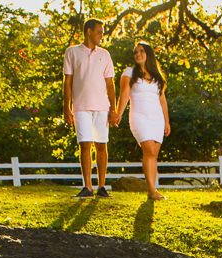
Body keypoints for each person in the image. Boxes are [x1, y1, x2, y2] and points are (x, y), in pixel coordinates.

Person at [63, 19, 117, 199]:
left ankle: (101, 186)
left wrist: (113, 109)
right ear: (89, 32)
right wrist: (66, 108)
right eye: (99, 32)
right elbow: (67, 82)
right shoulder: (72, 52)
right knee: (84, 145)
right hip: (80, 107)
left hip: (102, 108)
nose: (102, 35)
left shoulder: (105, 54)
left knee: (102, 146)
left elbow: (110, 84)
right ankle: (87, 187)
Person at [115, 41, 171, 200]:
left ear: (148, 54)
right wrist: (119, 113)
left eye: (142, 51)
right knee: (149, 151)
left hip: (157, 118)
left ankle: (152, 190)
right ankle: (152, 191)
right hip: (139, 117)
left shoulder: (157, 76)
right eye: (136, 52)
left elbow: (163, 101)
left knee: (154, 154)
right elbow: (124, 94)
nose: (138, 54)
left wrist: (167, 122)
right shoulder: (129, 72)